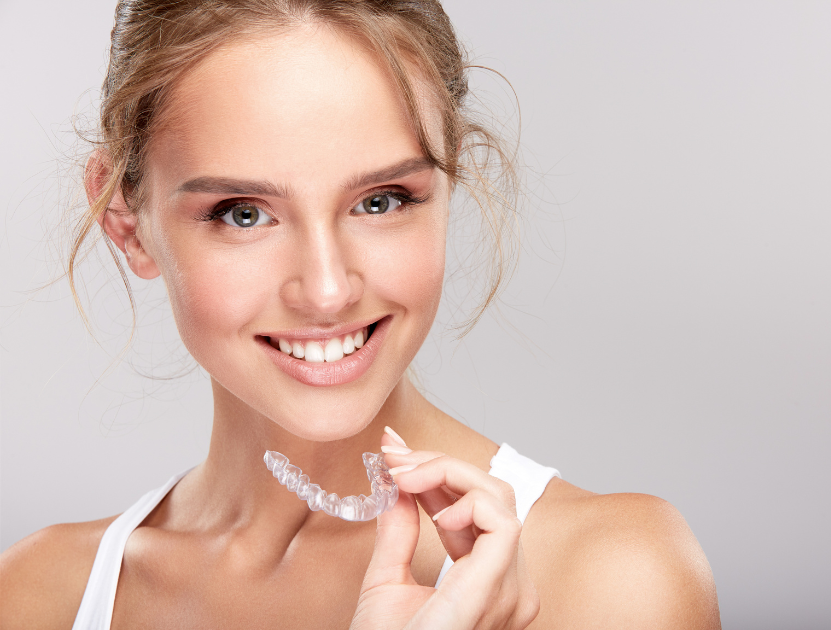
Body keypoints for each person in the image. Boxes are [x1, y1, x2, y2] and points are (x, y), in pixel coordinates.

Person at [0, 1, 720, 628]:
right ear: (126, 219)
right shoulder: (38, 595)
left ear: (449, 179)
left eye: (381, 201)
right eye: (243, 214)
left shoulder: (613, 580)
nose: (326, 290)